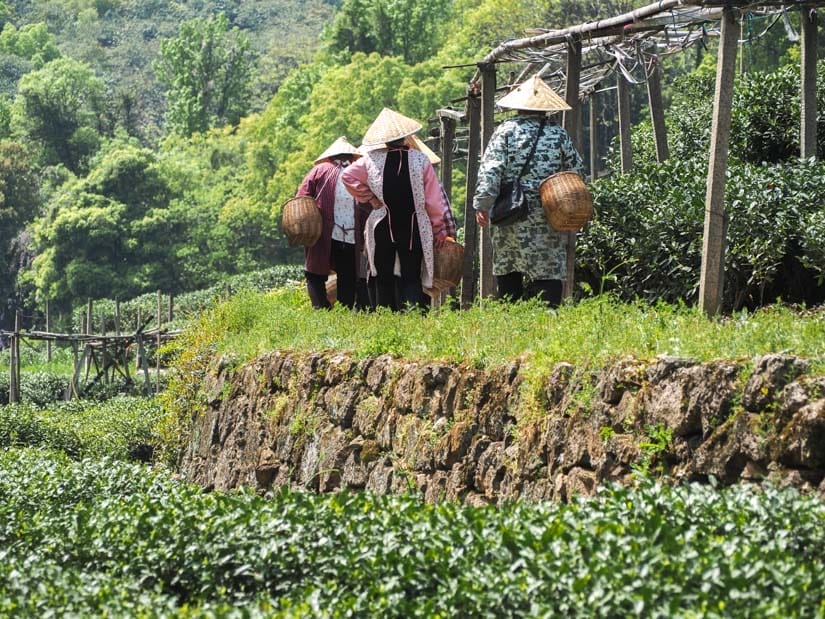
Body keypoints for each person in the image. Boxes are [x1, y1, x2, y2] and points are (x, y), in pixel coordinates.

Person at [473, 75, 584, 307]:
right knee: (549, 266)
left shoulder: (506, 131)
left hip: (511, 210)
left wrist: (482, 204)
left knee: (508, 264)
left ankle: (513, 320)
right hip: (549, 211)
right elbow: (577, 171)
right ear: (546, 109)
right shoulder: (558, 134)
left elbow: (491, 171)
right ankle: (548, 316)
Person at [342, 108, 453, 311]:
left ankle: (385, 315)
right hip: (414, 224)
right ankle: (415, 314)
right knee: (411, 274)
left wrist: (370, 198)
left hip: (382, 224)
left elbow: (347, 176)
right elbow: (433, 200)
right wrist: (439, 228)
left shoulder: (370, 159)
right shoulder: (421, 160)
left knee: (383, 272)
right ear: (406, 137)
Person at [296, 136, 370, 309]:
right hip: (351, 235)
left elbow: (301, 198)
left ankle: (321, 308)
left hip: (323, 232)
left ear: (330, 156)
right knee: (348, 274)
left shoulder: (320, 170)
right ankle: (345, 310)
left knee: (315, 272)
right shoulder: (358, 171)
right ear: (352, 156)